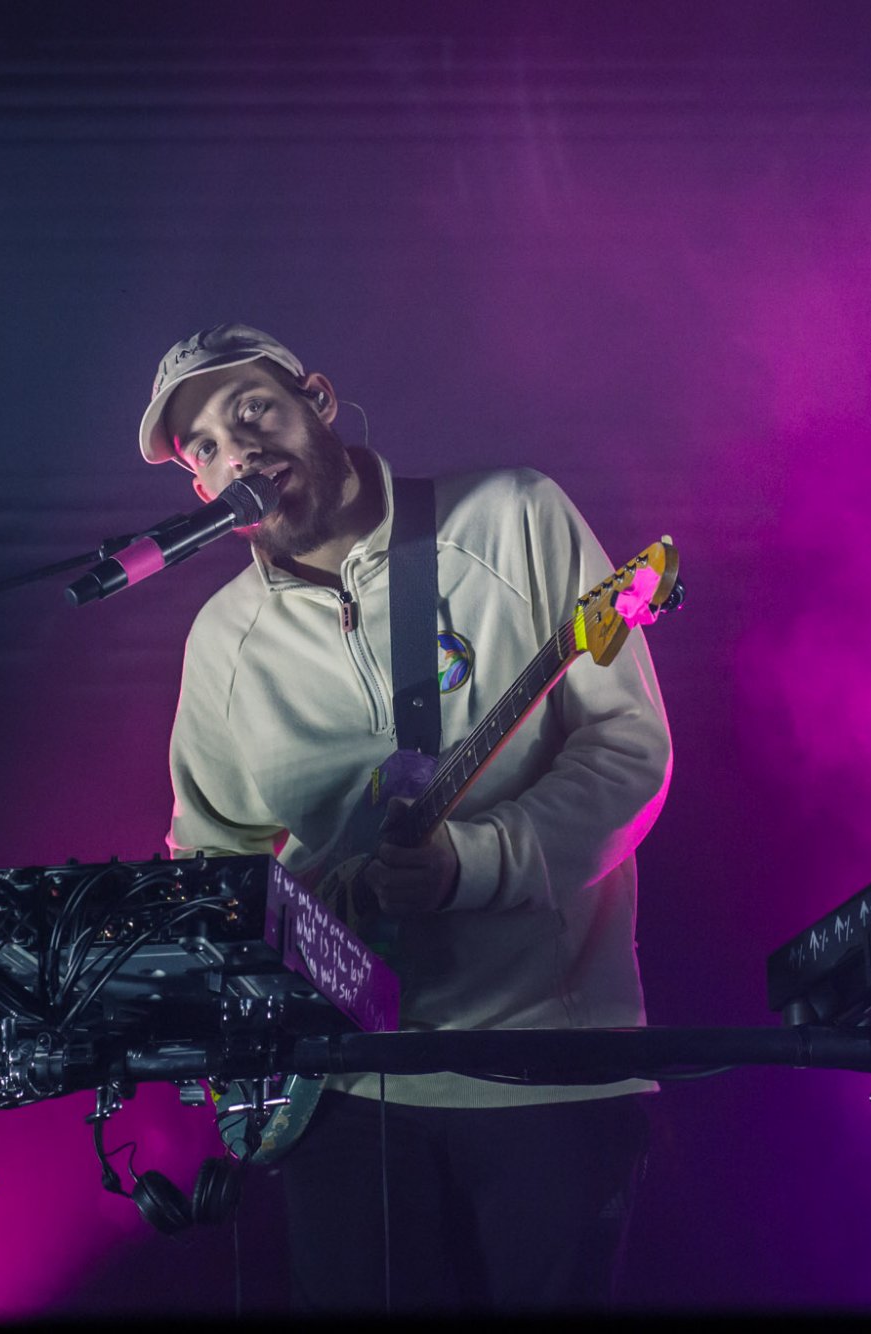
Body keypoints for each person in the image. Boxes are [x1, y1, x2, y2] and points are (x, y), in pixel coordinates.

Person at [143, 322, 671, 1311]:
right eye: (203, 445)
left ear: (318, 401)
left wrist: (472, 863)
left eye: (252, 408)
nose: (236, 448)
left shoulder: (513, 516)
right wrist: (271, 987)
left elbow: (628, 751)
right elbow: (211, 869)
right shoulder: (221, 641)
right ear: (201, 488)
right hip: (341, 1091)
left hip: (551, 1070)